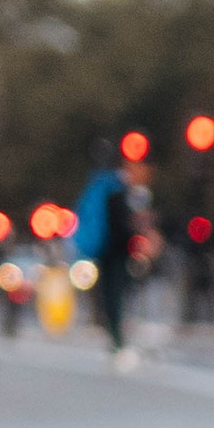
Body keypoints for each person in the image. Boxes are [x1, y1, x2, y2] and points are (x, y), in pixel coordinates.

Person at [71, 148, 140, 364]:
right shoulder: (118, 191)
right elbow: (122, 226)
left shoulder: (98, 186)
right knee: (116, 295)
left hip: (101, 250)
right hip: (117, 251)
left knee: (108, 295)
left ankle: (113, 336)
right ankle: (118, 338)